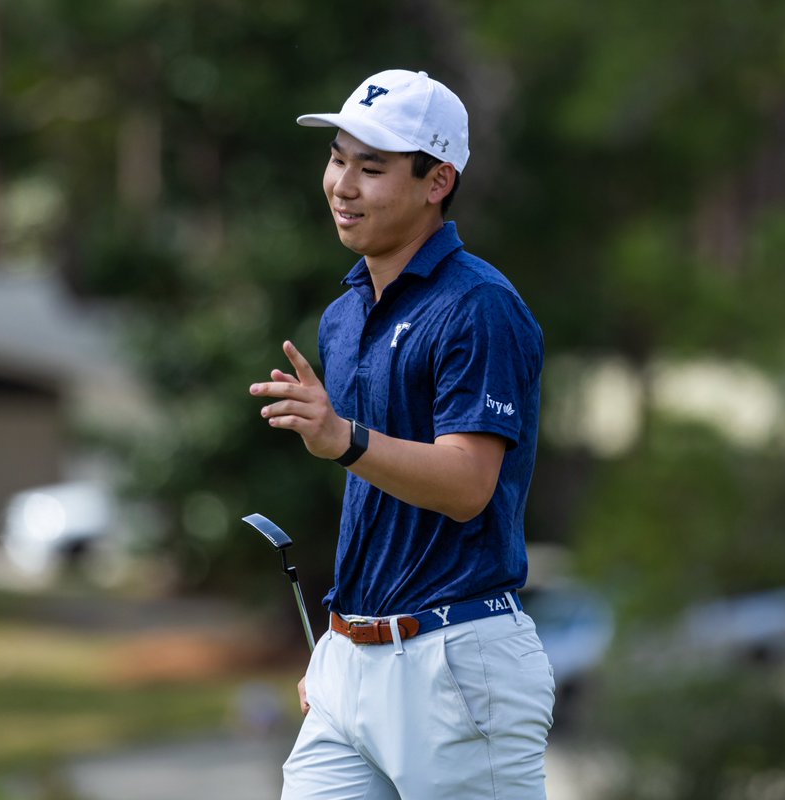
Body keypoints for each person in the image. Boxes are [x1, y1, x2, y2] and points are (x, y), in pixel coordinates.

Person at [250, 68, 554, 799]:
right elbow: (376, 497)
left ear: (436, 180)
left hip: (457, 664)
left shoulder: (478, 306)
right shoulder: (343, 316)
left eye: (371, 167)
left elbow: (466, 486)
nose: (342, 184)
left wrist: (344, 439)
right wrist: (341, 642)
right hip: (351, 660)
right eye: (338, 159)